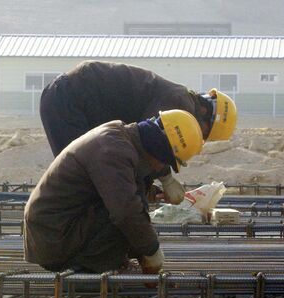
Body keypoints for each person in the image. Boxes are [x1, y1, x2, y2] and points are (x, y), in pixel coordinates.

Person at [24, 109, 203, 274]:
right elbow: (125, 211)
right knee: (129, 218)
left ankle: (105, 262)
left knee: (135, 214)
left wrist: (153, 192)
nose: (162, 168)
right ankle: (88, 271)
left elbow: (116, 186)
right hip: (53, 238)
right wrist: (152, 250)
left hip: (59, 229)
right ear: (159, 151)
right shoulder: (113, 150)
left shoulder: (121, 139)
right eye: (166, 163)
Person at [40, 60, 237, 204]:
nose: (200, 136)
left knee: (94, 180)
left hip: (69, 98)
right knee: (82, 179)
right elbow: (149, 143)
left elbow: (140, 148)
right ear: (205, 113)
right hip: (68, 100)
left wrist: (147, 188)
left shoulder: (179, 97)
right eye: (205, 134)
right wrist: (165, 179)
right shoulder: (180, 103)